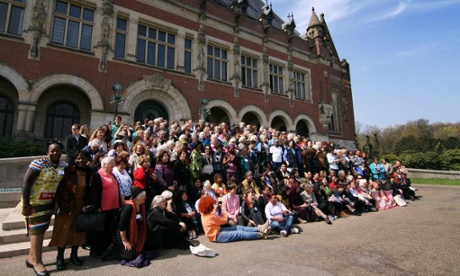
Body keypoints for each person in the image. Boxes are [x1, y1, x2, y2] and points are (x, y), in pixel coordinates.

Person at [22, 140, 67, 276]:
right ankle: (38, 262)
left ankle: (31, 258)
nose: (55, 153)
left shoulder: (63, 165)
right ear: (47, 152)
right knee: (36, 231)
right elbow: (26, 182)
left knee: (42, 228)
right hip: (35, 202)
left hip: (50, 202)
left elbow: (61, 186)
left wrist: (57, 202)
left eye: (58, 150)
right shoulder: (38, 164)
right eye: (52, 150)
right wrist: (26, 203)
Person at [50, 150, 92, 270]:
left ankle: (74, 255)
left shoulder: (90, 173)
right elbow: (57, 186)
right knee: (63, 232)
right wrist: (56, 203)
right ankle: (60, 257)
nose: (81, 160)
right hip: (66, 206)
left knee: (78, 233)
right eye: (78, 158)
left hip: (81, 207)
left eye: (83, 158)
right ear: (74, 159)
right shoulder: (67, 171)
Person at [88, 156, 123, 258]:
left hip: (113, 207)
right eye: (110, 164)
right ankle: (97, 251)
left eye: (113, 163)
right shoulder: (98, 175)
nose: (112, 165)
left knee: (109, 229)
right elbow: (94, 192)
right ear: (104, 165)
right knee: (100, 231)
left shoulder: (112, 175)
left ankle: (107, 249)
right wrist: (96, 206)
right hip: (103, 207)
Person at [198, 195, 271, 243]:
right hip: (217, 236)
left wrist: (215, 210)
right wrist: (224, 210)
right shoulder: (210, 216)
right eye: (212, 204)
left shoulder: (204, 214)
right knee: (239, 233)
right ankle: (260, 234)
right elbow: (225, 220)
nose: (213, 205)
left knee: (238, 227)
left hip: (217, 232)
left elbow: (213, 218)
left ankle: (260, 228)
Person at [111, 186, 148, 264]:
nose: (145, 197)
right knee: (132, 256)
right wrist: (125, 241)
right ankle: (113, 251)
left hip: (132, 234)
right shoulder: (128, 208)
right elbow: (122, 226)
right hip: (121, 236)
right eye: (143, 196)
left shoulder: (141, 206)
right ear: (137, 198)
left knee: (142, 250)